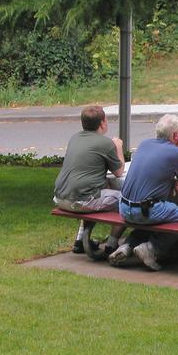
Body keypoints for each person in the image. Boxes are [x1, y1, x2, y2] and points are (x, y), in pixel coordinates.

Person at [108, 114, 178, 271]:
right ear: (175, 135)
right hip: (146, 210)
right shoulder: (177, 153)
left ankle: (127, 246)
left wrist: (173, 182)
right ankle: (152, 248)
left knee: (157, 218)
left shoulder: (144, 144)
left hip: (124, 208)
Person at [53, 105, 126, 255]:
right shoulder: (105, 143)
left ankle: (80, 240)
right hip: (81, 201)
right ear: (102, 123)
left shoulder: (75, 138)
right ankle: (112, 244)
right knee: (128, 200)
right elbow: (119, 172)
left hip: (60, 197)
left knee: (98, 190)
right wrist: (118, 147)